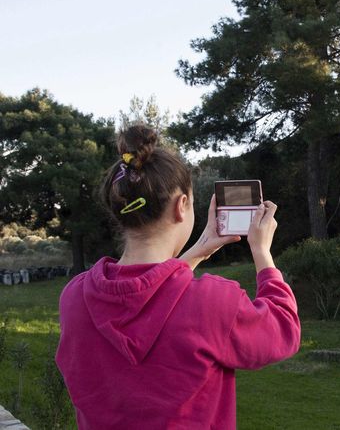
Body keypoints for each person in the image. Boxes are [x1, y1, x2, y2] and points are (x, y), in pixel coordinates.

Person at [56, 124, 301, 429]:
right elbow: (282, 331)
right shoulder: (214, 303)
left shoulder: (74, 298)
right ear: (181, 206)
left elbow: (145, 295)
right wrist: (262, 253)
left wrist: (197, 251)